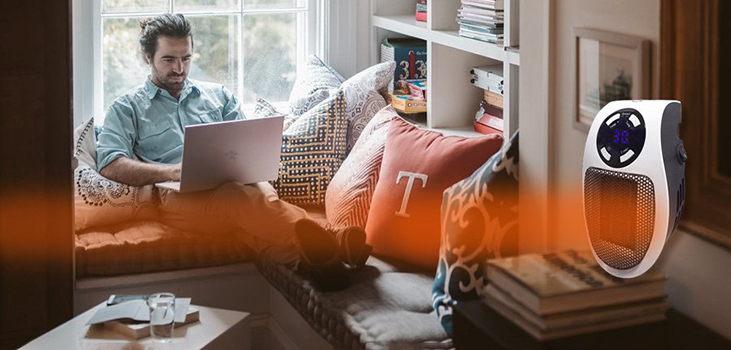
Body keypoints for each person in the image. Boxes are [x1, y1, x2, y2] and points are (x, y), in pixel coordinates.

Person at [96, 13, 369, 290]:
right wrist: (172, 171)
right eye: (168, 60)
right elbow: (110, 164)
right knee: (237, 197)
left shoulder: (219, 96)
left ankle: (320, 267)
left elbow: (247, 144)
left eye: (186, 58)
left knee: (250, 212)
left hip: (242, 184)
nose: (179, 68)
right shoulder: (127, 107)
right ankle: (334, 239)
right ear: (147, 57)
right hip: (178, 199)